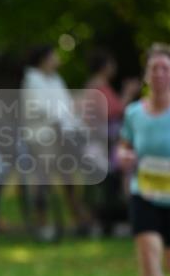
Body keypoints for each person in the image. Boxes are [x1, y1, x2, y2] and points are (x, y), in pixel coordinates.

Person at [117, 44, 170, 276]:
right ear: (146, 75)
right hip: (144, 191)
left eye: (165, 68)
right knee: (148, 250)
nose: (159, 74)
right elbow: (124, 146)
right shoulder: (134, 113)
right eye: (154, 68)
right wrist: (124, 156)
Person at [20, 44, 94, 236]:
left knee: (68, 174)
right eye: (53, 55)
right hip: (40, 136)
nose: (57, 59)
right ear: (44, 59)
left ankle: (77, 216)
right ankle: (42, 221)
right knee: (44, 177)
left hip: (61, 133)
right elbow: (39, 108)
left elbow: (67, 107)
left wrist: (77, 123)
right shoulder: (32, 80)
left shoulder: (55, 79)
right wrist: (62, 115)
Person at [83, 50, 140, 234]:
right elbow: (111, 112)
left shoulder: (101, 86)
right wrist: (128, 93)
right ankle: (121, 218)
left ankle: (127, 216)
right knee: (122, 174)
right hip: (103, 144)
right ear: (104, 66)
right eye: (111, 63)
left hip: (109, 142)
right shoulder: (97, 87)